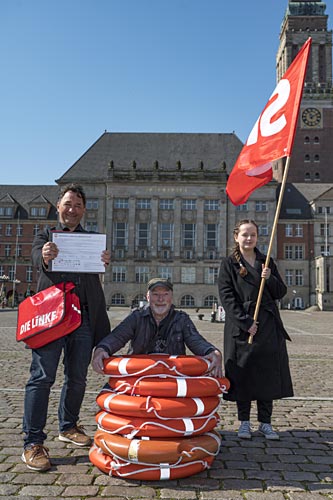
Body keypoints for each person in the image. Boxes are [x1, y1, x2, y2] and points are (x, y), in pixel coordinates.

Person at [22, 183, 111, 472]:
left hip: (83, 316)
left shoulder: (89, 240)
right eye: (68, 204)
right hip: (52, 316)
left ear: (84, 210)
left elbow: (94, 273)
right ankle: (33, 442)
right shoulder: (45, 236)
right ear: (58, 205)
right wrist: (45, 255)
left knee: (78, 378)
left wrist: (103, 262)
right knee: (43, 377)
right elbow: (36, 257)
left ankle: (69, 426)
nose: (72, 209)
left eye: (78, 205)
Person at [218, 219, 293, 441]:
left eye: (252, 235)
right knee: (243, 374)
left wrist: (269, 279)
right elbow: (227, 297)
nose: (249, 238)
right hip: (241, 327)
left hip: (267, 326)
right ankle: (244, 423)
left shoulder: (266, 260)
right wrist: (245, 322)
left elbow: (280, 292)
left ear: (257, 237)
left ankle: (266, 423)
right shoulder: (228, 264)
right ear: (236, 237)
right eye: (244, 234)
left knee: (266, 373)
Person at [92, 277, 222, 378]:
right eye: (155, 294)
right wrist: (102, 348)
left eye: (165, 294)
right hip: (139, 374)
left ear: (171, 297)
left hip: (172, 375)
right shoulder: (136, 317)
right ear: (148, 297)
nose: (160, 299)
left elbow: (195, 340)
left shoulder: (181, 319)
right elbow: (118, 336)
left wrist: (211, 351)